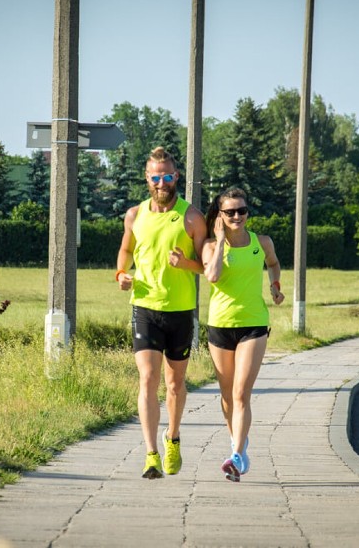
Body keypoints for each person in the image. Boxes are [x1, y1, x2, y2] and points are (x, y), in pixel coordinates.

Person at [115, 146, 207, 479]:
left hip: (181, 311)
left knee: (174, 383)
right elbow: (125, 251)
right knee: (147, 379)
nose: (162, 182)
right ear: (147, 178)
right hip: (144, 307)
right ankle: (151, 453)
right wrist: (121, 274)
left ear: (176, 177)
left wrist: (186, 264)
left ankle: (173, 437)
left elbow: (206, 266)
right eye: (156, 177)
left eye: (168, 176)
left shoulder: (192, 217)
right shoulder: (134, 215)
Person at [201, 188, 284, 482]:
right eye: (230, 212)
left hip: (254, 324)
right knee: (226, 396)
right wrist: (222, 240)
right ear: (220, 215)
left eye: (242, 210)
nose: (237, 216)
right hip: (220, 326)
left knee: (240, 393)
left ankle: (237, 456)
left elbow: (273, 263)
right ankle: (239, 442)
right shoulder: (211, 246)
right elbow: (212, 276)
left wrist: (275, 285)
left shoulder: (261, 243)